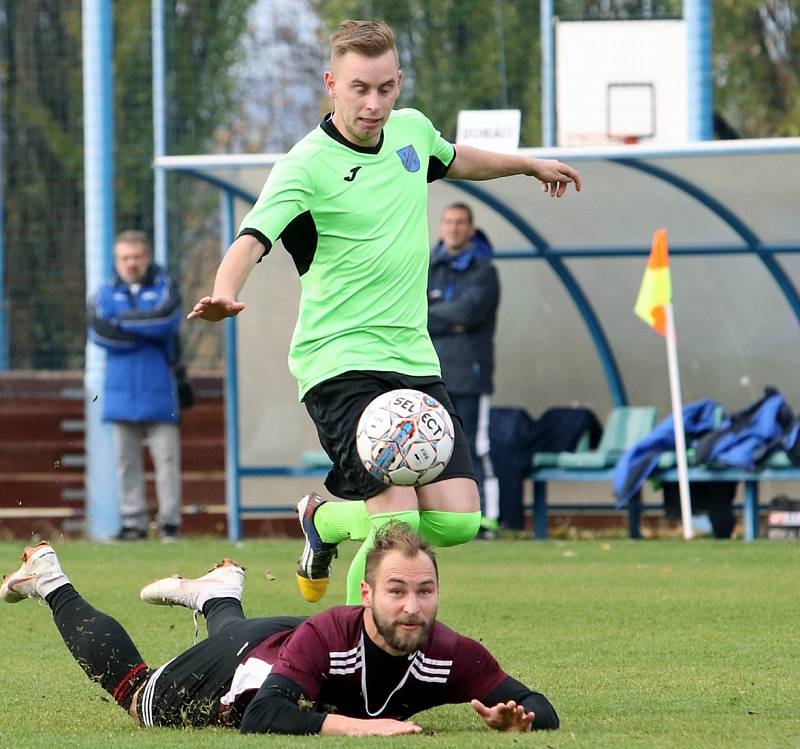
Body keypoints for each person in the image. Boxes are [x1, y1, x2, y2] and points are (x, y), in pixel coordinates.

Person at [187, 20, 581, 603]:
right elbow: (251, 239)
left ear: (398, 83)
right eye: (358, 89)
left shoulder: (412, 133)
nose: (372, 104)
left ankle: (321, 521)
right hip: (339, 365)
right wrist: (223, 291)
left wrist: (527, 165)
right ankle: (352, 669)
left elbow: (456, 159)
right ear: (331, 84)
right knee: (394, 528)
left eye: (384, 89)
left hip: (413, 362)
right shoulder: (305, 165)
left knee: (457, 521)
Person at [0, 524, 559, 735]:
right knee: (138, 695)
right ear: (365, 595)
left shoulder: (449, 651)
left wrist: (518, 721)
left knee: (261, 648)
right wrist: (370, 728)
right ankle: (51, 580)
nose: (412, 607)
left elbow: (540, 705)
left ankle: (219, 594)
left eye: (424, 591)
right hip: (239, 670)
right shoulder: (330, 634)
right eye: (396, 591)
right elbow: (264, 717)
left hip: (279, 644)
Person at [89, 230, 184, 541]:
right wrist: (145, 328)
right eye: (125, 258)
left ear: (147, 258)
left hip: (159, 390)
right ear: (117, 260)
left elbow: (166, 322)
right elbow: (100, 333)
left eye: (137, 257)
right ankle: (134, 524)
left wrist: (122, 322)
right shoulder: (103, 292)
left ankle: (169, 523)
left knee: (166, 461)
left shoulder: (165, 286)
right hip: (119, 392)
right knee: (125, 463)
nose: (131, 263)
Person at [428, 202, 500, 539]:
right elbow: (412, 312)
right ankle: (443, 515)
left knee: (475, 445)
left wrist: (437, 316)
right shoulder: (425, 266)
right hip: (431, 375)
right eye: (448, 221)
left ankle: (487, 518)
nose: (453, 228)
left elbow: (470, 312)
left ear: (470, 229)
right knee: (430, 447)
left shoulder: (484, 271)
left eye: (460, 223)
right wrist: (449, 320)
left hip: (470, 376)